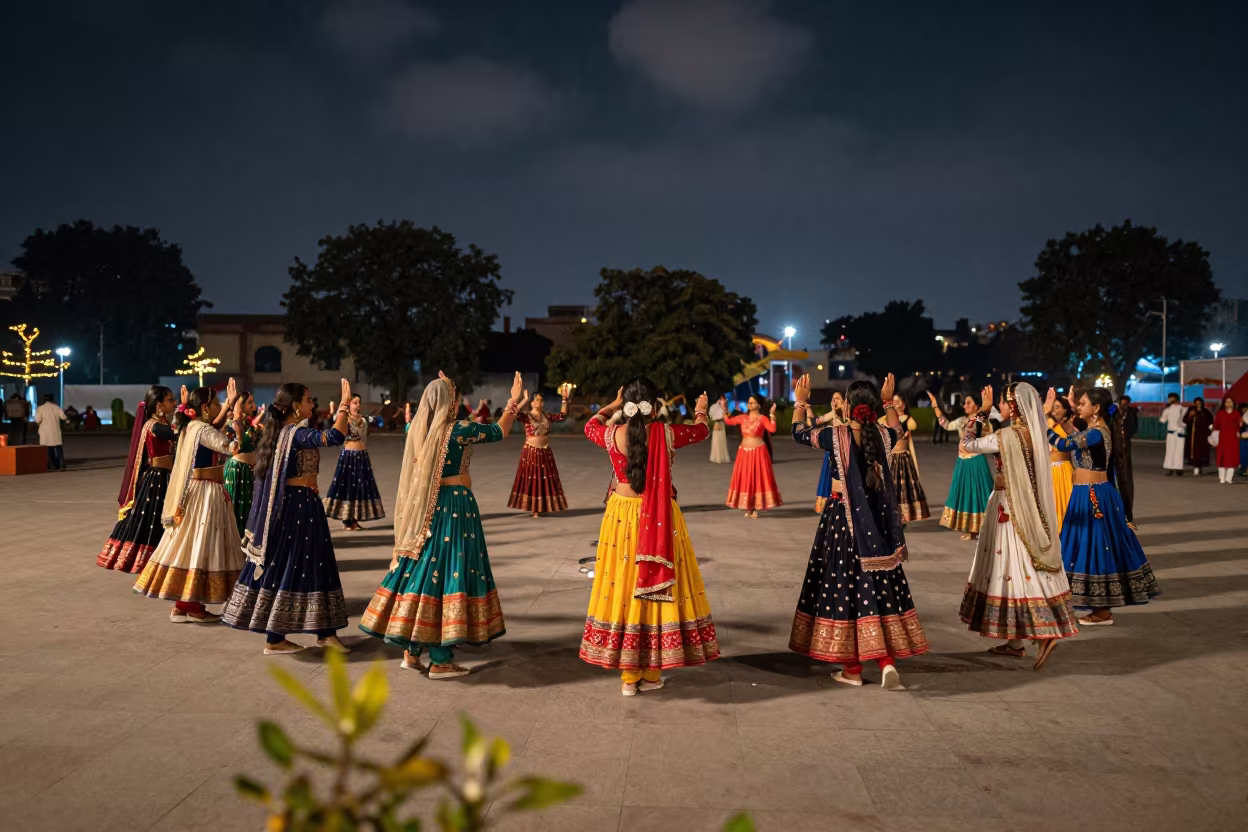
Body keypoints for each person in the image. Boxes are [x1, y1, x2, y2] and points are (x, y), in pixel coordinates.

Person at [358, 371, 523, 678]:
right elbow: (499, 432)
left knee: (424, 564)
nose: (457, 400)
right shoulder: (457, 429)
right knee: (450, 568)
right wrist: (513, 401)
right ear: (448, 402)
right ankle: (442, 659)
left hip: (426, 510)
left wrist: (443, 387)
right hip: (454, 505)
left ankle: (412, 650)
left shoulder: (416, 430)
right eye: (454, 396)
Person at [581, 379, 719, 695]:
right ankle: (652, 674)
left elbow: (591, 425)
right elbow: (701, 432)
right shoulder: (667, 433)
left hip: (620, 516)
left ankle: (629, 676)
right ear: (655, 407)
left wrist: (612, 406)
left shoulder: (611, 435)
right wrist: (700, 411)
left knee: (625, 587)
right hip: (658, 516)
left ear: (626, 407)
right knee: (655, 588)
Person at [790, 373, 928, 689]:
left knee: (844, 589)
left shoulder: (835, 436)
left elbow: (798, 432)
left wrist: (801, 400)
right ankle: (885, 661)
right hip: (876, 529)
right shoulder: (883, 436)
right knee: (876, 587)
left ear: (849, 405)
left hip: (841, 522)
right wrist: (890, 401)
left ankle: (852, 668)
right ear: (872, 407)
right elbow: (898, 429)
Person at [223, 380, 353, 654]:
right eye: (308, 400)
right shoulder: (293, 434)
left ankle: (321, 632)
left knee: (311, 564)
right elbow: (334, 437)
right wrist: (343, 406)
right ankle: (279, 637)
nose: (312, 405)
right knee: (295, 564)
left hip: (303, 505)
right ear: (295, 406)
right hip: (298, 508)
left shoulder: (285, 433)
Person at [959, 383, 1078, 668]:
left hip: (1007, 507)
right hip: (1029, 508)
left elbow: (966, 446)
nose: (999, 407)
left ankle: (1043, 631)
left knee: (1011, 569)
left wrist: (980, 414)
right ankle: (1016, 642)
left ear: (1012, 406)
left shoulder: (1006, 436)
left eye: (1002, 403)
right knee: (1020, 568)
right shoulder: (1036, 434)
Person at [133, 382, 245, 623]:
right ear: (205, 407)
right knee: (202, 546)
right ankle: (191, 605)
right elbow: (232, 447)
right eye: (216, 403)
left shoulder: (194, 426)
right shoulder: (202, 430)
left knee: (192, 545)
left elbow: (214, 428)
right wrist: (238, 426)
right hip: (205, 493)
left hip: (198, 491)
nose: (219, 406)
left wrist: (230, 404)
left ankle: (182, 605)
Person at [1047, 387, 1160, 625]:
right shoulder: (1092, 432)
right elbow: (1072, 435)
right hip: (1084, 494)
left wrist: (1041, 419)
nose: (1079, 407)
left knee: (1094, 548)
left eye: (1083, 403)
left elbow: (1063, 443)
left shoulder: (1098, 433)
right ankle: (1099, 609)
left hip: (1092, 496)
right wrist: (1066, 414)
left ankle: (1102, 610)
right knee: (1083, 546)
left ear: (1096, 408)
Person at [98, 386, 179, 572]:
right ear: (159, 404)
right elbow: (181, 434)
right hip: (157, 479)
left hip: (166, 476)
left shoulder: (163, 423)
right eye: (170, 400)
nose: (173, 403)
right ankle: (151, 559)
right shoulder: (154, 426)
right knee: (152, 521)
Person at [928, 391, 995, 540]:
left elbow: (988, 432)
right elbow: (945, 424)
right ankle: (972, 530)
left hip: (976, 461)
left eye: (969, 403)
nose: (965, 405)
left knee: (978, 495)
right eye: (965, 403)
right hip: (963, 462)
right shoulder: (961, 421)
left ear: (977, 406)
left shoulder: (981, 422)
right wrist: (935, 406)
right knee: (967, 495)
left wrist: (985, 410)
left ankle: (983, 529)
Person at [324, 394, 386, 530]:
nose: (358, 405)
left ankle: (354, 518)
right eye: (354, 402)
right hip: (349, 457)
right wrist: (341, 406)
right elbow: (334, 420)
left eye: (359, 402)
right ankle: (347, 520)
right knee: (348, 487)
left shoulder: (363, 420)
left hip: (362, 457)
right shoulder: (343, 419)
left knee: (360, 487)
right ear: (349, 405)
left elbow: (376, 425)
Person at [508, 384, 571, 518]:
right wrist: (523, 399)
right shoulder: (526, 416)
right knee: (533, 479)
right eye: (536, 400)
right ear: (532, 403)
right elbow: (513, 413)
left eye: (541, 400)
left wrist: (565, 399)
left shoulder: (547, 416)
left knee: (544, 479)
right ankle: (534, 509)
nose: (539, 402)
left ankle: (543, 506)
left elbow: (562, 416)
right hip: (530, 452)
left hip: (545, 452)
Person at [723, 394, 782, 518]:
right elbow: (729, 421)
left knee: (757, 479)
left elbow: (772, 429)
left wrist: (772, 415)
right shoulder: (743, 417)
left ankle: (756, 507)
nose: (750, 405)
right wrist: (725, 410)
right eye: (749, 402)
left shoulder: (762, 419)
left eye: (753, 402)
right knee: (746, 479)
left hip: (758, 452)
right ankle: (749, 507)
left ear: (759, 405)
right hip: (744, 453)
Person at [882, 394, 929, 522]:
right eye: (894, 401)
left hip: (903, 458)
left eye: (898, 401)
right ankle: (890, 514)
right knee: (889, 486)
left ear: (904, 404)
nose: (895, 404)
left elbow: (913, 426)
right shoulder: (885, 420)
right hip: (891, 458)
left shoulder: (908, 420)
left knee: (905, 488)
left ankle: (904, 515)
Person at [223, 392, 261, 538]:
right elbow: (234, 448)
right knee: (238, 510)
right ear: (240, 405)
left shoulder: (247, 423)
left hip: (249, 471)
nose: (254, 406)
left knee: (249, 508)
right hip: (237, 471)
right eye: (249, 402)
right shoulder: (232, 424)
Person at [1046, 394, 1076, 534]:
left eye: (1057, 407)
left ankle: (1066, 536)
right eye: (1052, 407)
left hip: (1063, 470)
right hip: (1049, 471)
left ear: (1065, 410)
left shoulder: (1067, 426)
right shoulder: (1048, 424)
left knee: (1065, 503)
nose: (1053, 410)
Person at [813, 391, 847, 513]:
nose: (834, 401)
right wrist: (808, 412)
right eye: (833, 399)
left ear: (844, 401)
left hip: (843, 451)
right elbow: (818, 421)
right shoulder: (833, 413)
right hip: (831, 450)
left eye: (837, 398)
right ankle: (828, 504)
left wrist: (839, 415)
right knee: (828, 476)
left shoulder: (846, 414)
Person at [1111, 395, 1139, 526]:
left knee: (1126, 480)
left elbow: (1133, 428)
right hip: (1113, 448)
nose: (1124, 405)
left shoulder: (1131, 413)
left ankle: (1127, 513)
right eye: (1122, 403)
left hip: (1124, 449)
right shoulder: (1113, 412)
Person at [34, 393, 69, 471]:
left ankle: (51, 464)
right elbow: (63, 417)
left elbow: (37, 420)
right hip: (55, 430)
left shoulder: (40, 408)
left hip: (45, 431)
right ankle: (61, 464)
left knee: (48, 449)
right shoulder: (56, 407)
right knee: (58, 448)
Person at [1213, 396, 1241, 484]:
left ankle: (1229, 478)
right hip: (1222, 438)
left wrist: (1239, 427)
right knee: (1222, 457)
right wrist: (1215, 436)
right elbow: (1216, 426)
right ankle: (1222, 478)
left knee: (1231, 457)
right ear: (1224, 404)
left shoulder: (1236, 414)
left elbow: (1238, 426)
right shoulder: (1220, 413)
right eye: (1227, 402)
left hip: (1233, 438)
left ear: (1233, 404)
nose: (1228, 404)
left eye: (1230, 402)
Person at [1183, 397, 1214, 475]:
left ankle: (1200, 467)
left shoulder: (1206, 412)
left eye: (1199, 403)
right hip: (1193, 436)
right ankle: (1195, 468)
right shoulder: (1191, 410)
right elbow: (1185, 420)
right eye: (1196, 403)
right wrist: (1190, 416)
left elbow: (1211, 421)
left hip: (1203, 436)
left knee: (1202, 452)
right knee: (1194, 452)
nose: (1198, 405)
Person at [1160, 393, 1185, 475]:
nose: (1170, 400)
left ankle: (1177, 468)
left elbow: (1162, 420)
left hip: (1178, 432)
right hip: (1172, 432)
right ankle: (1171, 468)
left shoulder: (1182, 409)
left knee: (1178, 451)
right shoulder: (1168, 409)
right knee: (1171, 451)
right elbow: (1163, 420)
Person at [708, 399, 731, 464]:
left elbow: (727, 416)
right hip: (717, 423)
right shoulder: (715, 407)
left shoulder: (722, 408)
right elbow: (713, 415)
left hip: (721, 424)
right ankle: (717, 457)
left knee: (721, 440)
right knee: (717, 440)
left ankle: (721, 456)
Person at [1238, 403, 1248, 480]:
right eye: (1243, 408)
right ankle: (1243, 469)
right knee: (1243, 454)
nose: (1245, 410)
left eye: (1246, 408)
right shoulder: (1239, 418)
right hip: (1242, 438)